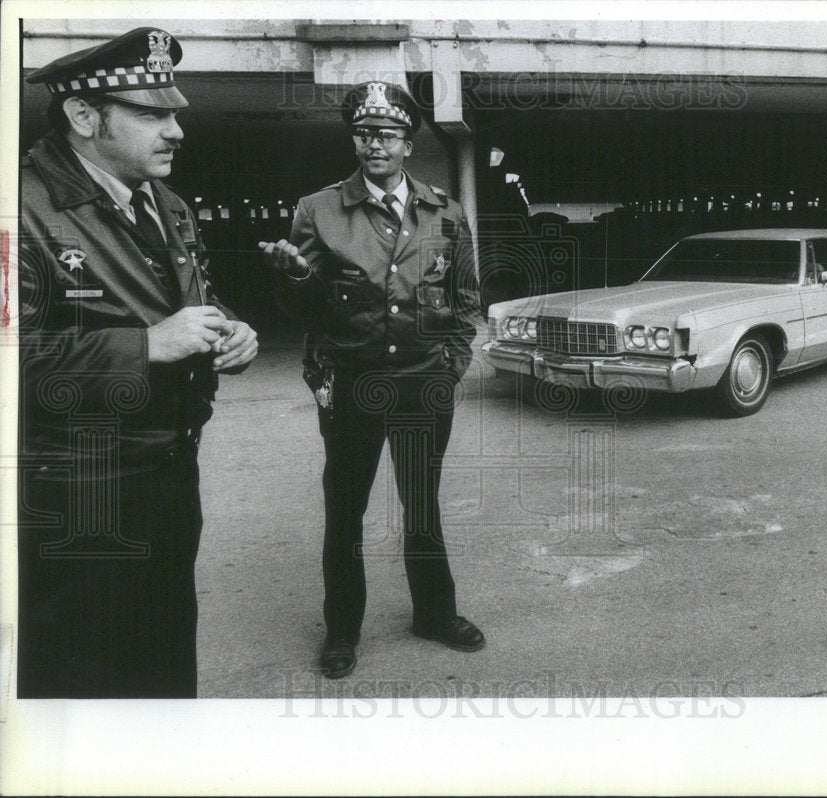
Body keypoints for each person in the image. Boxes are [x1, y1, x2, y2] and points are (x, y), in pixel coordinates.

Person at [18, 27, 258, 698]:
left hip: (168, 474)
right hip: (74, 494)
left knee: (163, 666)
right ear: (83, 116)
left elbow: (193, 302)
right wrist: (148, 345)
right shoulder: (20, 209)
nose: (176, 129)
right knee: (80, 679)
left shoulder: (169, 205)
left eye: (173, 111)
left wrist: (229, 331)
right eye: (152, 113)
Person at [260, 81, 483, 678]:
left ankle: (435, 615)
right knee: (345, 511)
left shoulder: (445, 212)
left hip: (423, 383)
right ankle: (342, 632)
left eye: (386, 135)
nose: (374, 145)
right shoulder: (319, 209)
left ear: (408, 144)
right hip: (352, 382)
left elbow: (466, 300)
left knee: (422, 508)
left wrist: (452, 365)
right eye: (363, 134)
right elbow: (301, 312)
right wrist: (294, 278)